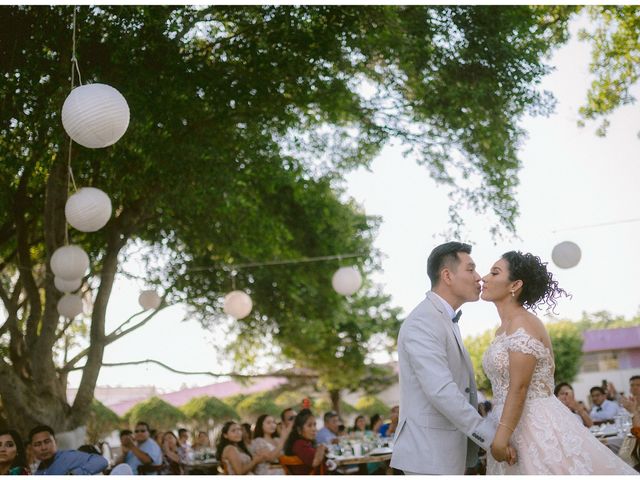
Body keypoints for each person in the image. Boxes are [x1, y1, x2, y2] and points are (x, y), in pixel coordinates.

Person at [481, 250, 636, 474]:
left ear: (515, 285)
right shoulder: (501, 330)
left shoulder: (523, 323)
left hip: (535, 425)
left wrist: (501, 438)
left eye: (494, 272)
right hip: (509, 423)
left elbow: (520, 387)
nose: (484, 277)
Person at [390, 242, 502, 475]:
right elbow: (441, 390)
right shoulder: (423, 321)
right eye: (470, 270)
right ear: (447, 275)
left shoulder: (442, 318)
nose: (479, 277)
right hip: (428, 456)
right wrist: (489, 436)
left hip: (443, 454)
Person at [29, 425, 108, 475]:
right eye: (37, 444)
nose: (43, 448)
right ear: (32, 448)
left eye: (47, 442)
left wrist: (74, 474)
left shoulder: (68, 457)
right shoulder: (37, 473)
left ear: (55, 442)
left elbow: (101, 461)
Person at [283, 409, 327, 475]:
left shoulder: (306, 443)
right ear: (299, 430)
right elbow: (315, 462)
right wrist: (322, 447)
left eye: (314, 425)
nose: (314, 429)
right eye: (309, 425)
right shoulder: (299, 444)